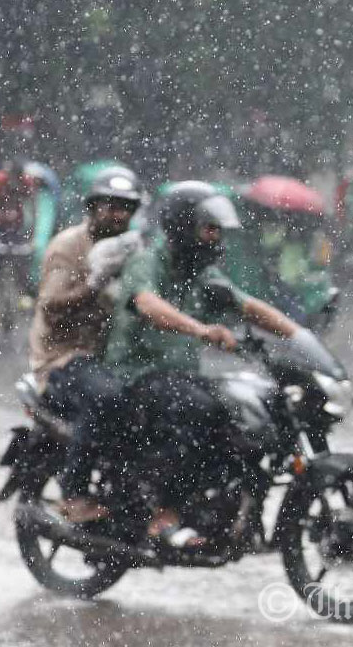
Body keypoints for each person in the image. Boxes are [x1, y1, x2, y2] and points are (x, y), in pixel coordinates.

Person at [106, 181, 304, 547]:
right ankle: (163, 514)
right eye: (209, 229)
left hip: (179, 375)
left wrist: (298, 335)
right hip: (138, 374)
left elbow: (247, 305)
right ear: (183, 227)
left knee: (239, 410)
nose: (216, 238)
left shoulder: (199, 271)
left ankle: (217, 507)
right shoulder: (147, 262)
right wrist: (200, 329)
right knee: (200, 409)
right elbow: (148, 304)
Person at [27, 165, 147, 523]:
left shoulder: (131, 250)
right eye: (110, 206)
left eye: (125, 208)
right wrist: (94, 284)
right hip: (64, 358)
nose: (118, 215)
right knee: (107, 397)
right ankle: (74, 491)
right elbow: (51, 308)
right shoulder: (69, 247)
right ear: (93, 207)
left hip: (111, 358)